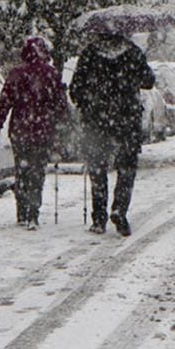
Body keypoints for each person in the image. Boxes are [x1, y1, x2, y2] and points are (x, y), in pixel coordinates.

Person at [70, 32, 155, 237]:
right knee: (126, 167)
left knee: (97, 168)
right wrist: (130, 79)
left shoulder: (90, 53)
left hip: (96, 120)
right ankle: (120, 209)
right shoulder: (133, 52)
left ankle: (99, 217)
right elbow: (149, 81)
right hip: (126, 119)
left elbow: (75, 89)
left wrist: (87, 101)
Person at [0, 37, 67, 230]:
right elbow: (61, 106)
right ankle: (33, 211)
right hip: (43, 131)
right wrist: (59, 127)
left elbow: (4, 103)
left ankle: (22, 211)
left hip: (20, 130)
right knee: (37, 172)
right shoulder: (51, 74)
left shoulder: (17, 74)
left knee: (22, 170)